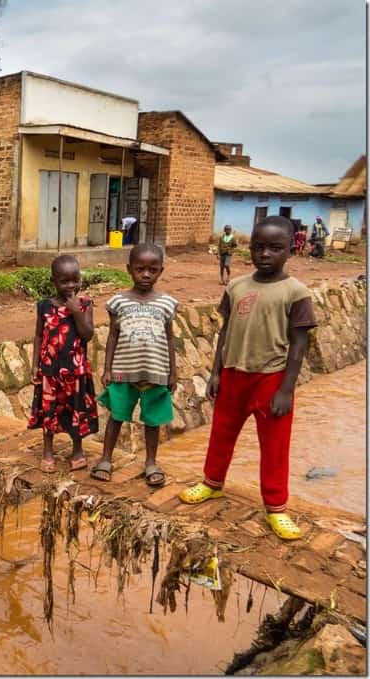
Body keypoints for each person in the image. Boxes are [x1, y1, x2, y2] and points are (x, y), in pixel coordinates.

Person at [179, 216, 317, 541]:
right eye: (259, 247)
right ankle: (212, 483)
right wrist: (215, 372)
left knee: (274, 445)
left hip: (272, 379)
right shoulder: (236, 286)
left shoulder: (296, 292)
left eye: (275, 248)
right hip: (233, 374)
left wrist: (287, 390)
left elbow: (299, 346)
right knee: (221, 432)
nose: (265, 254)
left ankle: (276, 507)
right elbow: (225, 332)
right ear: (249, 248)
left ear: (289, 250)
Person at [90, 244, 178, 487]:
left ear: (161, 270)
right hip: (122, 371)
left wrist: (173, 370)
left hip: (156, 372)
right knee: (116, 417)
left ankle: (151, 463)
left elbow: (170, 338)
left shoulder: (167, 304)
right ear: (129, 269)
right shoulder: (118, 302)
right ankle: (106, 459)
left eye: (153, 269)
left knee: (152, 421)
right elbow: (113, 336)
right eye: (140, 269)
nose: (146, 275)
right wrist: (107, 368)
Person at [28, 254, 99, 473]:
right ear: (53, 282)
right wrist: (35, 365)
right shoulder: (44, 307)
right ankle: (47, 451)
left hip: (76, 371)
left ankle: (77, 450)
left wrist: (76, 311)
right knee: (49, 410)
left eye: (74, 280)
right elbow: (39, 336)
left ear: (80, 279)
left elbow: (88, 335)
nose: (70, 286)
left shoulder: (85, 305)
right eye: (64, 281)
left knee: (76, 409)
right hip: (50, 371)